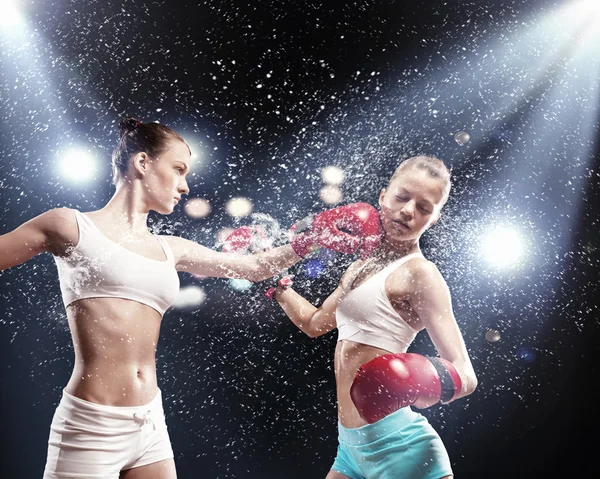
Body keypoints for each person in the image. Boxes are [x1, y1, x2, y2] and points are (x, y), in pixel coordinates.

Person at [0, 117, 380, 479]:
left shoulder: (171, 248)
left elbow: (254, 266)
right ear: (143, 163)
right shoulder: (70, 225)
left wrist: (309, 239)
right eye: (179, 169)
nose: (185, 186)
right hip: (91, 421)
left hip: (148, 422)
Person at [267, 156, 478, 479]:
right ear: (383, 196)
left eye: (424, 208)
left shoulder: (421, 274)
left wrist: (416, 378)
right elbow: (314, 324)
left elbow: (465, 375)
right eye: (402, 197)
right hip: (350, 449)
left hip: (402, 449)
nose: (408, 211)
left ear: (434, 219)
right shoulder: (359, 267)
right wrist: (277, 286)